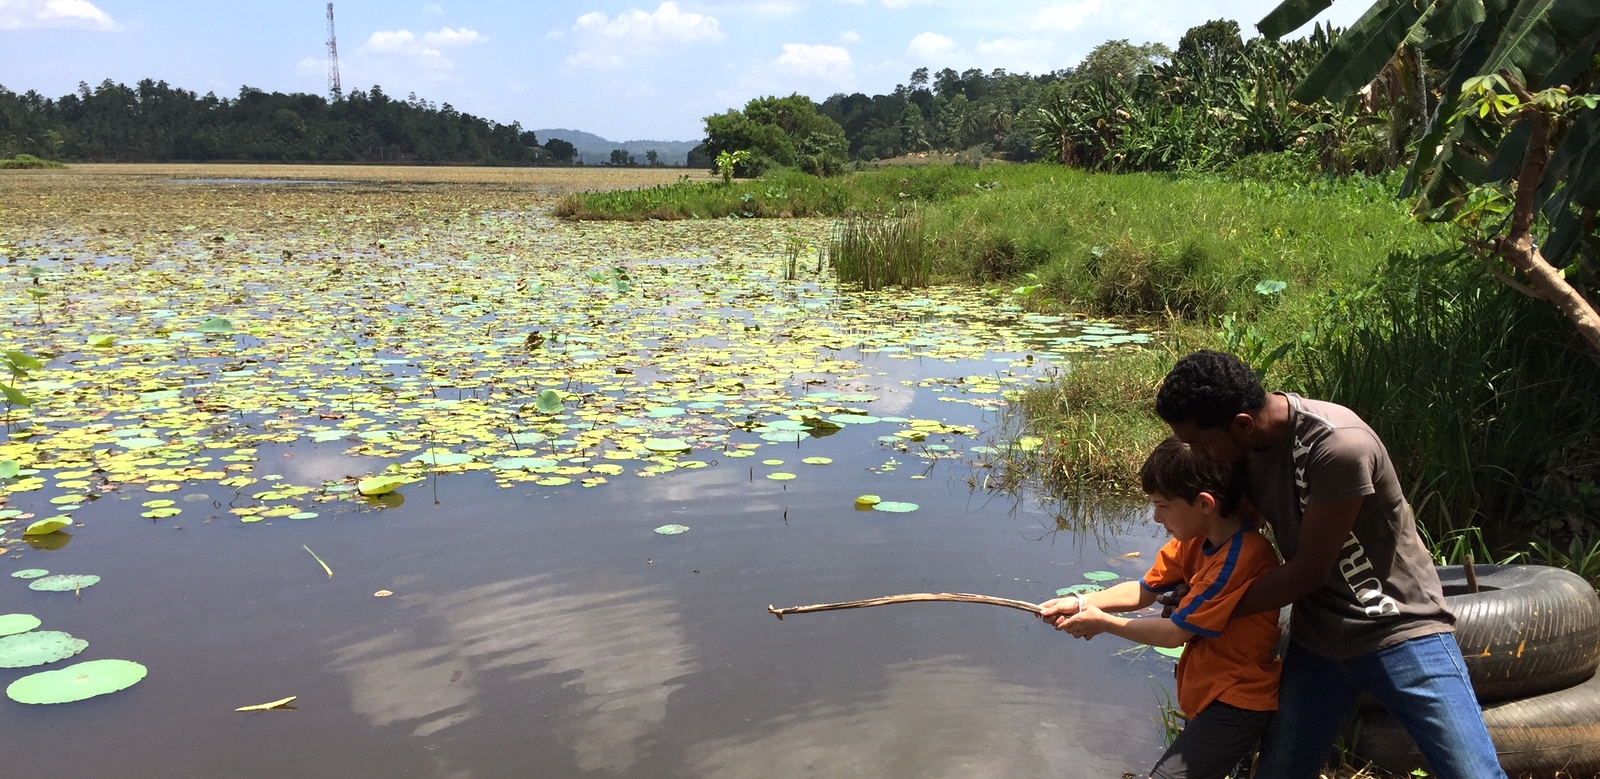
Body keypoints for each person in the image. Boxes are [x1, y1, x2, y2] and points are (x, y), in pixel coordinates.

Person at [1154, 350, 1505, 779]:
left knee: (1471, 772)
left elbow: (1309, 569)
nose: (1200, 455)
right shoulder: (1241, 449)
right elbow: (1235, 533)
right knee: (1281, 771)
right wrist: (1184, 584)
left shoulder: (1337, 448)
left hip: (1397, 627)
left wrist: (1202, 608)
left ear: (1242, 424)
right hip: (1318, 638)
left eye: (1202, 443)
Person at [1040, 437, 1281, 779]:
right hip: (1209, 692)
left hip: (1236, 700)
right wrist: (1081, 601)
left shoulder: (1239, 557)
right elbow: (1144, 590)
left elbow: (1174, 633)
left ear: (1204, 503)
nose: (1155, 517)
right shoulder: (1197, 539)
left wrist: (1104, 623)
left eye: (1163, 505)